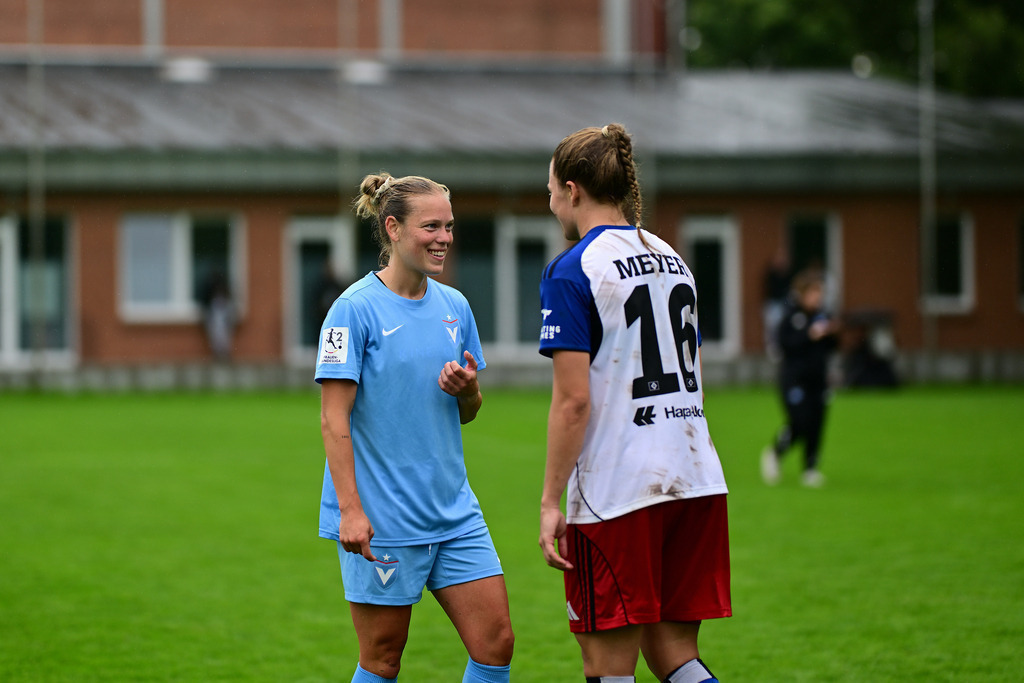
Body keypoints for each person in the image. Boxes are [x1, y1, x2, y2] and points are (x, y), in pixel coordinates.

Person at [538, 124, 730, 683]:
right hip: (696, 479)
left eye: (550, 190)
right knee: (675, 654)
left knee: (608, 664)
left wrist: (552, 501)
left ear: (573, 190)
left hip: (619, 491)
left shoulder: (573, 267)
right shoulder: (672, 257)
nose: (550, 203)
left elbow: (574, 402)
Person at [315, 172, 514, 683]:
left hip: (454, 512)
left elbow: (468, 412)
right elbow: (332, 417)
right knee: (383, 659)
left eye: (448, 226)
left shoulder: (457, 307)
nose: (444, 238)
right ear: (393, 228)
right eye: (431, 226)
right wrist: (351, 512)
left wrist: (467, 392)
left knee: (496, 643)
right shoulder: (351, 310)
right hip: (383, 519)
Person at [760, 267, 840, 488]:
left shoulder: (823, 316)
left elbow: (834, 346)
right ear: (803, 294)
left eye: (820, 293)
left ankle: (810, 468)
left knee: (817, 423)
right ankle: (775, 452)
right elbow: (785, 345)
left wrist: (832, 334)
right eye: (813, 293)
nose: (818, 298)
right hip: (794, 380)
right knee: (800, 421)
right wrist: (809, 335)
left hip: (819, 380)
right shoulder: (791, 317)